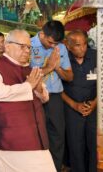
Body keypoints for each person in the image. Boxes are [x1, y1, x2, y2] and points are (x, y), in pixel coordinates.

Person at [0, 29, 56, 172]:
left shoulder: (29, 69)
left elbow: (44, 97)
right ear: (7, 46)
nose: (27, 51)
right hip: (10, 138)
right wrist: (28, 86)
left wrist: (39, 89)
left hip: (36, 136)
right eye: (22, 46)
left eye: (29, 47)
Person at [30, 20, 73, 172]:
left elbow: (69, 77)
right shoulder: (28, 45)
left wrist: (57, 67)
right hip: (34, 97)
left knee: (57, 136)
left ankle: (54, 168)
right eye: (50, 42)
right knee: (35, 136)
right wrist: (49, 67)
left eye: (56, 43)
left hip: (55, 98)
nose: (53, 46)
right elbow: (27, 76)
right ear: (42, 34)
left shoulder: (61, 48)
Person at [62, 30, 97, 172]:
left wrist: (95, 103)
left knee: (94, 145)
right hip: (72, 110)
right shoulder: (63, 59)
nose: (82, 48)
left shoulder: (96, 56)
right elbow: (57, 89)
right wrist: (74, 105)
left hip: (93, 108)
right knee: (76, 147)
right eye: (77, 45)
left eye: (84, 44)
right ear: (68, 45)